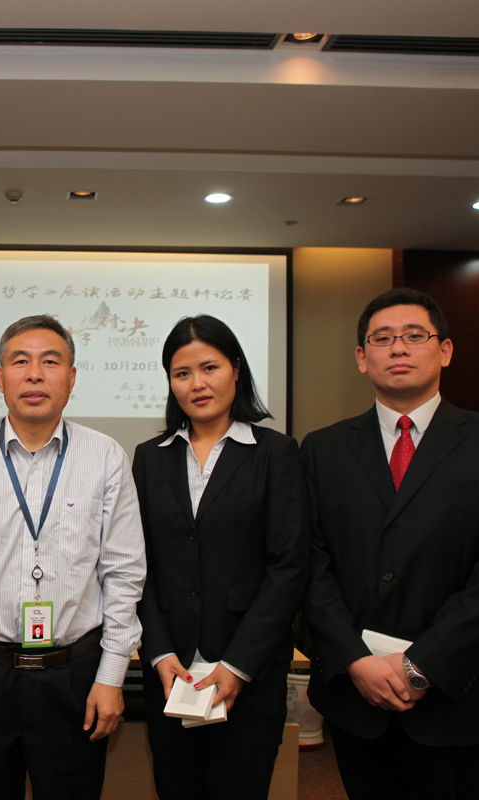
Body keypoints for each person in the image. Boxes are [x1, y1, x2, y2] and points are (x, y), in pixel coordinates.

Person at [300, 288, 479, 800]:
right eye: (382, 338)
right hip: (359, 699)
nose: (398, 348)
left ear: (445, 350)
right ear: (361, 357)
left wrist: (421, 665)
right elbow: (311, 566)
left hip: (462, 699)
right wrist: (355, 660)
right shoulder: (322, 449)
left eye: (414, 335)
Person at [0, 314, 147, 800]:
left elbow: (124, 574)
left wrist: (112, 676)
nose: (35, 374)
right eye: (20, 362)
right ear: (0, 377)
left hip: (75, 673)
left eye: (51, 362)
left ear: (72, 377)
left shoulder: (106, 457)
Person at [133, 315, 309, 799]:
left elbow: (289, 567)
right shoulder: (150, 456)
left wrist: (237, 666)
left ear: (236, 369)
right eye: (182, 373)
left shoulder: (275, 452)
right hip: (172, 672)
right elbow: (136, 567)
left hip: (249, 669)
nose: (197, 384)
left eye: (209, 367)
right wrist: (159, 654)